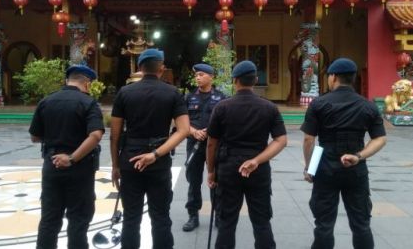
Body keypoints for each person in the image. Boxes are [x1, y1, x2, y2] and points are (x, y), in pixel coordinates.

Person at [301, 58, 387, 249]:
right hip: (355, 169)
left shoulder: (319, 104)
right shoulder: (368, 106)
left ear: (333, 77)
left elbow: (309, 140)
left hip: (325, 169)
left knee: (324, 225)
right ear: (353, 78)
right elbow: (380, 139)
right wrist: (359, 156)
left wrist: (310, 168)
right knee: (361, 224)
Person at [110, 48, 190, 249]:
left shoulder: (125, 92)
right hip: (159, 163)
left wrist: (115, 166)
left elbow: (114, 135)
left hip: (130, 161)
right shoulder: (173, 93)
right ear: (161, 68)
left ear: (139, 68)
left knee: (131, 219)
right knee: (161, 217)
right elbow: (183, 130)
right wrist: (156, 154)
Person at [206, 60, 287, 249]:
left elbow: (211, 143)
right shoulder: (269, 107)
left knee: (227, 222)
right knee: (261, 222)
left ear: (235, 80)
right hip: (257, 168)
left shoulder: (222, 107)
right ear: (256, 80)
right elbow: (281, 140)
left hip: (228, 168)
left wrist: (211, 171)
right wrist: (257, 160)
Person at [29, 64, 105, 249]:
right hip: (80, 167)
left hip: (52, 165)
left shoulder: (46, 101)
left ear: (67, 80)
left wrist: (56, 140)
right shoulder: (88, 103)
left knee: (49, 219)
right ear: (87, 83)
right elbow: (95, 135)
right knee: (78, 220)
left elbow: (35, 136)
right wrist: (71, 158)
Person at [182, 63, 226, 232]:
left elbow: (226, 122)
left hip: (214, 145)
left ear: (211, 77)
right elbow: (181, 121)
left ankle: (218, 214)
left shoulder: (222, 98)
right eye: (196, 75)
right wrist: (193, 131)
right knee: (193, 181)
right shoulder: (189, 97)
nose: (198, 77)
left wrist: (211, 131)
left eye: (201, 74)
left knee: (215, 180)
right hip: (194, 145)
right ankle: (193, 215)